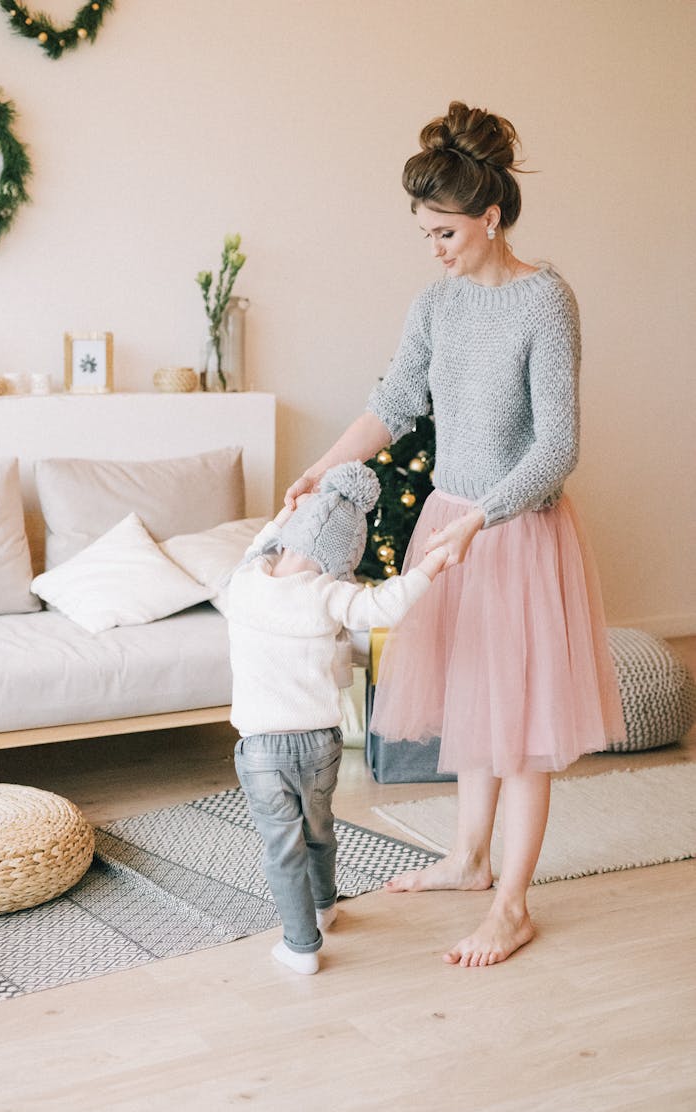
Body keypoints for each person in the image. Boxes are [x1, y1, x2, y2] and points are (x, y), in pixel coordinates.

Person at [285, 101, 626, 968]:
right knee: (475, 700)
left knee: (518, 730)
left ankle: (512, 905)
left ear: (491, 216)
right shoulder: (435, 305)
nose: (433, 247)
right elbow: (395, 402)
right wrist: (323, 467)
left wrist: (483, 515)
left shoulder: (546, 301)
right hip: (453, 524)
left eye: (444, 231)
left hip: (513, 532)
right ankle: (470, 861)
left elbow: (558, 446)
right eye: (425, 233)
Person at [227, 460, 452, 975]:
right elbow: (387, 606)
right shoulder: (328, 596)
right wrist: (431, 565)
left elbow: (254, 550)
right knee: (319, 828)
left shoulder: (243, 584)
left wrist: (283, 516)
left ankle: (301, 947)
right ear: (342, 559)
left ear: (289, 539)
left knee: (282, 848)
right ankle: (325, 906)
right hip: (320, 745)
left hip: (262, 749)